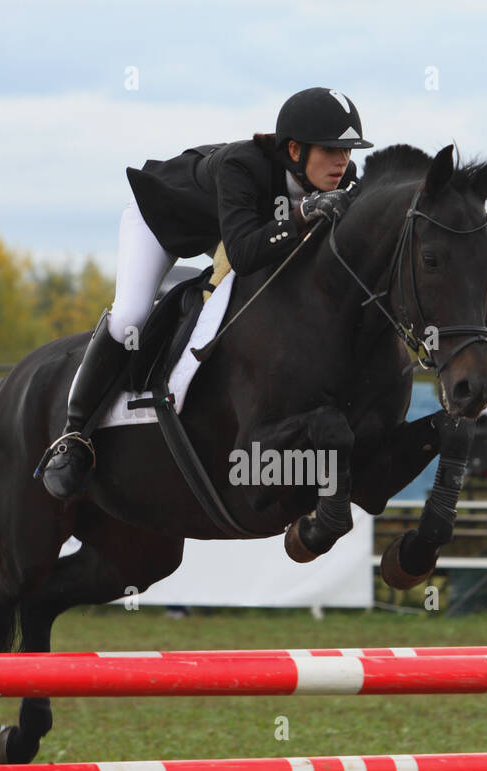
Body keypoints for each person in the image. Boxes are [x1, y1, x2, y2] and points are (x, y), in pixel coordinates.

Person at [39, 86, 372, 501]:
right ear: (293, 150)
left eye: (348, 150)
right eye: (330, 149)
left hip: (227, 231)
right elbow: (245, 253)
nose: (342, 161)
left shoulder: (341, 179)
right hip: (159, 222)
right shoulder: (242, 166)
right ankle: (74, 436)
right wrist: (304, 213)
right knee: (130, 317)